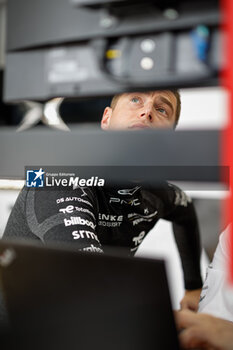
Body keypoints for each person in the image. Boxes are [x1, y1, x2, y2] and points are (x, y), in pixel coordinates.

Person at [3, 90, 202, 309]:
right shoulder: (57, 177)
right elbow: (91, 279)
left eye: (161, 109)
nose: (147, 112)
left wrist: (193, 287)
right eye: (136, 100)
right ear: (106, 119)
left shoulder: (156, 192)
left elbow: (185, 211)